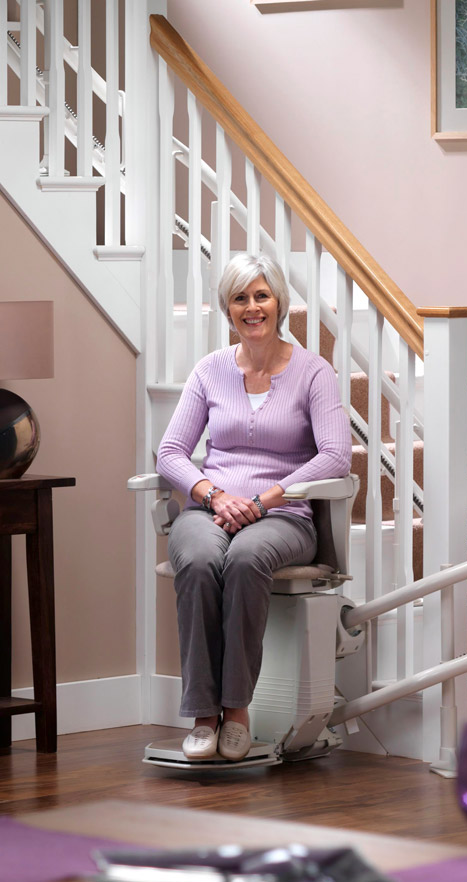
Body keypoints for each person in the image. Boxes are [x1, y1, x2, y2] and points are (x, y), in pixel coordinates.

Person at [156, 252, 352, 762]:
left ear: (279, 302)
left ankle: (236, 710)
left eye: (261, 295)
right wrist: (213, 495)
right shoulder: (210, 371)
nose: (252, 307)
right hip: (211, 509)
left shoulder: (315, 372)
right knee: (199, 561)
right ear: (227, 308)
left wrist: (268, 498)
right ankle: (203, 713)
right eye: (240, 298)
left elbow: (335, 454)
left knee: (245, 559)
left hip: (286, 515)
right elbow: (170, 452)